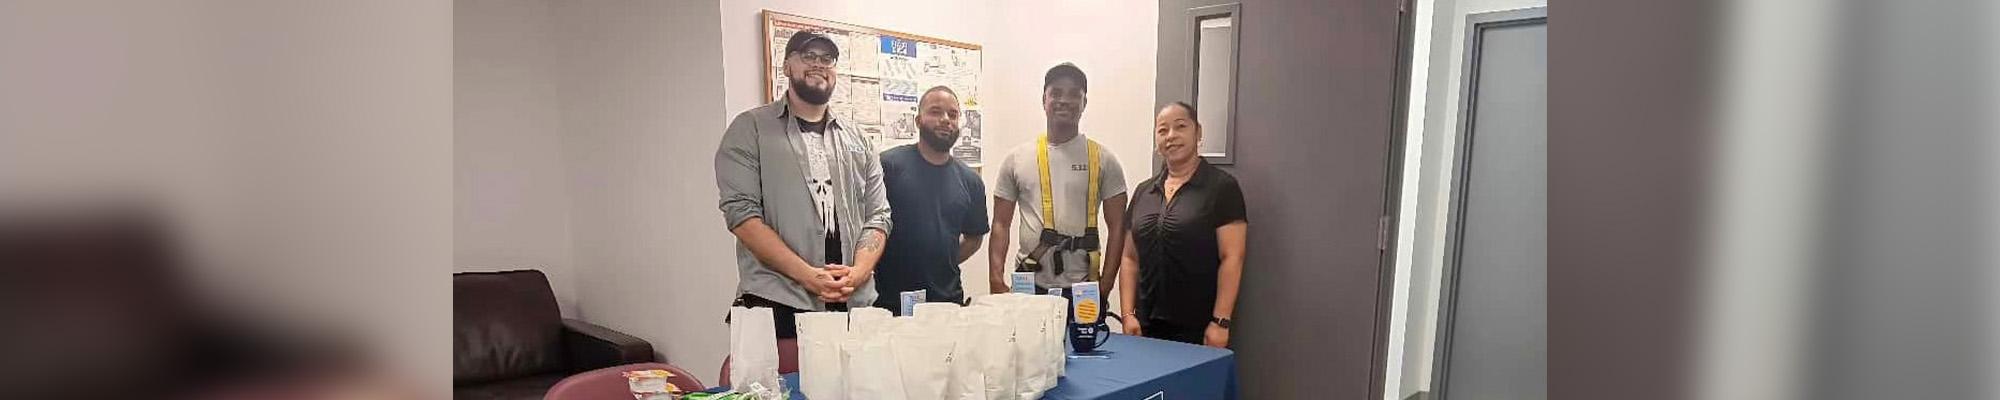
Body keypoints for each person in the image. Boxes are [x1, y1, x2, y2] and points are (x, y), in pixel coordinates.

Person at [715, 30, 891, 338]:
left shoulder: (859, 139)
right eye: (808, 56)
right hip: (778, 304)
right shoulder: (750, 130)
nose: (819, 65)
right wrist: (808, 276)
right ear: (786, 67)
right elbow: (742, 216)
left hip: (854, 305)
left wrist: (859, 273)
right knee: (780, 388)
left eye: (827, 59)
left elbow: (879, 215)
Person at [991, 63, 1128, 295]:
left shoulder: (1104, 160)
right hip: (1029, 284)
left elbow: (1118, 228)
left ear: (1085, 103)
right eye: (1056, 93)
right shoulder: (1017, 159)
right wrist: (996, 280)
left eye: (1075, 94)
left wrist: (1105, 286)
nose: (1064, 100)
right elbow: (1000, 224)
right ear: (1044, 100)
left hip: (1083, 287)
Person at [1119, 101, 1248, 348]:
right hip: (1145, 327)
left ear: (1197, 133)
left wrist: (1221, 322)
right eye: (1162, 130)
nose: (1171, 136)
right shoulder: (1144, 192)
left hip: (1199, 329)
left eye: (1180, 127)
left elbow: (1233, 256)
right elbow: (1129, 258)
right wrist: (1127, 314)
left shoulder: (1221, 188)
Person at [872, 86, 989, 312]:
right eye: (935, 112)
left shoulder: (971, 181)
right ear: (918, 120)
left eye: (953, 114)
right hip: (890, 303)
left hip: (947, 302)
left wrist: (942, 261)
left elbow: (974, 237)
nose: (945, 119)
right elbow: (866, 225)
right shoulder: (888, 166)